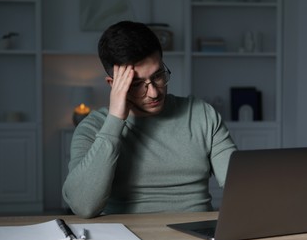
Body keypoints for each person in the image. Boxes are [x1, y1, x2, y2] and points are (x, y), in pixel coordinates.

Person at [62, 21, 237, 218]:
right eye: (137, 84)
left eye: (158, 76)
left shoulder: (201, 115)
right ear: (114, 84)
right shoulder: (92, 128)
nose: (153, 92)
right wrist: (115, 120)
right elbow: (83, 206)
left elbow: (240, 185)